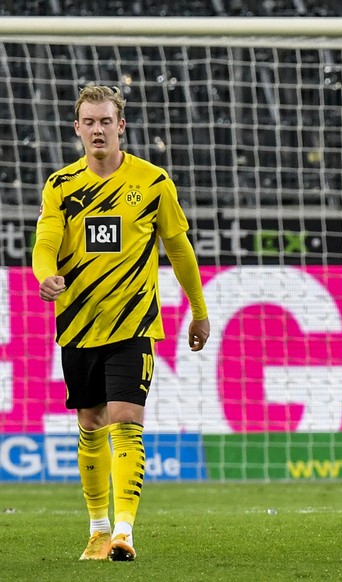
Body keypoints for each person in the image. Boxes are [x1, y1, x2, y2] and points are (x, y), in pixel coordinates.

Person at [32, 85, 211, 561]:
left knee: (126, 420)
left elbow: (179, 248)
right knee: (90, 424)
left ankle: (124, 532)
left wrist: (199, 310)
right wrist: (44, 274)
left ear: (120, 126)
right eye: (88, 122)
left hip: (133, 326)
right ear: (77, 129)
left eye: (105, 121)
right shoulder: (62, 185)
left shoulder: (152, 181)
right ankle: (97, 528)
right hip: (77, 326)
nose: (97, 129)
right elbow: (46, 241)